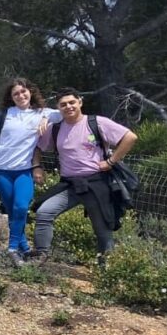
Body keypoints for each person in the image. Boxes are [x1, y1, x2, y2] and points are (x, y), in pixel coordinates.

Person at [31, 88, 138, 264]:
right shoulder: (55, 129)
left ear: (80, 102)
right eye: (63, 104)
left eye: (72, 102)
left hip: (96, 183)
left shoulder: (97, 122)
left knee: (102, 228)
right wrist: (37, 167)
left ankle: (106, 269)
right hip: (69, 185)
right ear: (58, 108)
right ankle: (41, 256)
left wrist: (111, 161)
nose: (68, 107)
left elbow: (130, 137)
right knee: (44, 212)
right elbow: (38, 147)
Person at [0, 77, 59, 264]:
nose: (21, 95)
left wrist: (46, 117)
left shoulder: (42, 113)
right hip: (1, 171)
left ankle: (12, 248)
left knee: (21, 207)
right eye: (16, 93)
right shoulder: (3, 115)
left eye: (23, 91)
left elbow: (62, 113)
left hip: (24, 171)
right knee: (13, 212)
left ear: (30, 91)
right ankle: (24, 248)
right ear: (11, 97)